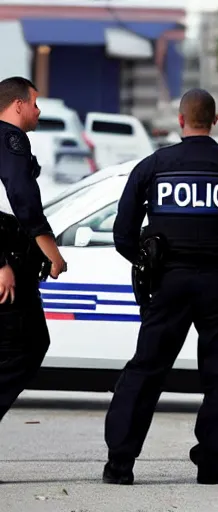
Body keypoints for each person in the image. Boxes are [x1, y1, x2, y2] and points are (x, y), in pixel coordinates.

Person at [103, 88, 218, 486]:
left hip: (168, 283)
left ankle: (120, 464)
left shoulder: (153, 167)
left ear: (181, 120)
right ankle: (214, 462)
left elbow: (123, 235)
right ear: (214, 121)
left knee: (146, 370)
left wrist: (147, 263)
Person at [0, 77, 68, 423]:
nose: (38, 111)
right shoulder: (11, 140)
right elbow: (23, 202)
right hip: (8, 261)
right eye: (35, 103)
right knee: (24, 347)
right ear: (18, 105)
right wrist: (52, 253)